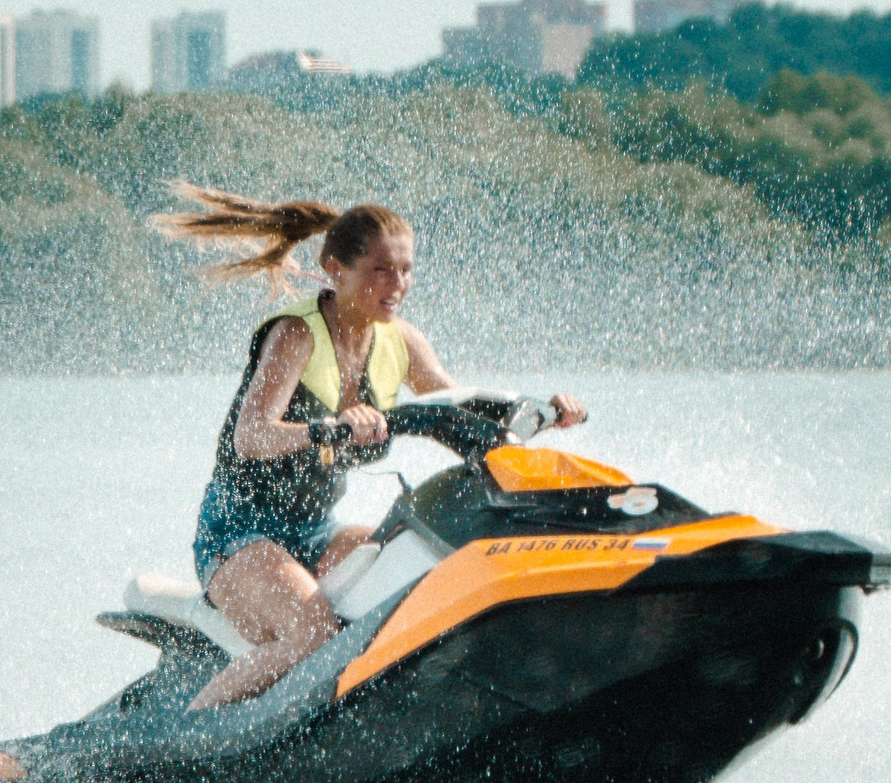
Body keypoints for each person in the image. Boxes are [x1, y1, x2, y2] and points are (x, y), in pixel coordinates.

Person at [155, 187, 584, 710]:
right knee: (315, 636)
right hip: (238, 535)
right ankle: (193, 729)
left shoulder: (402, 342)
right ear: (335, 269)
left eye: (405, 270)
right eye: (381, 270)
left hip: (317, 533)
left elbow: (464, 413)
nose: (397, 285)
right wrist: (328, 428)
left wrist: (545, 412)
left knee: (422, 571)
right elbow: (252, 437)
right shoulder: (295, 335)